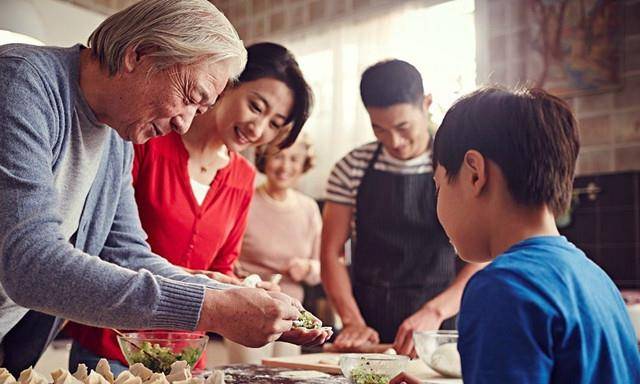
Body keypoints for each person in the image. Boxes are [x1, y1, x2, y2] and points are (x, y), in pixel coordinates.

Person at [0, 0, 328, 374]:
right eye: (189, 97)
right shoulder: (20, 82)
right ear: (138, 55)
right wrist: (213, 308)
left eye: (199, 109)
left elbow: (127, 253)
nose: (185, 125)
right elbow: (31, 264)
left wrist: (237, 297)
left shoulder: (118, 133)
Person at [65, 41, 316, 374]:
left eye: (274, 123)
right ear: (227, 84)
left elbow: (224, 264)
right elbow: (109, 248)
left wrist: (250, 292)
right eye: (256, 106)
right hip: (113, 345)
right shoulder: (146, 137)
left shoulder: (243, 177)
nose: (258, 128)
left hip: (187, 356)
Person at [390, 87, 640, 384]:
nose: (437, 203)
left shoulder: (502, 289)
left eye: (438, 185)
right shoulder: (596, 279)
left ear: (474, 174)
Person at [321, 59, 484, 355]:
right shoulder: (351, 167)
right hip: (369, 324)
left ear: (426, 104)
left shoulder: (458, 165)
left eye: (402, 126)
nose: (393, 141)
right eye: (379, 129)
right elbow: (331, 253)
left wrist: (436, 311)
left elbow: (483, 255)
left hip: (441, 324)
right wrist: (352, 321)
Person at [226, 134, 322, 363]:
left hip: (293, 316)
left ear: (304, 164)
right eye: (278, 157)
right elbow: (225, 254)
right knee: (248, 377)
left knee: (286, 376)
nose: (285, 166)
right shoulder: (246, 200)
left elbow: (321, 268)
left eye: (294, 159)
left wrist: (308, 268)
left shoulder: (309, 208)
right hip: (249, 308)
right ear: (264, 159)